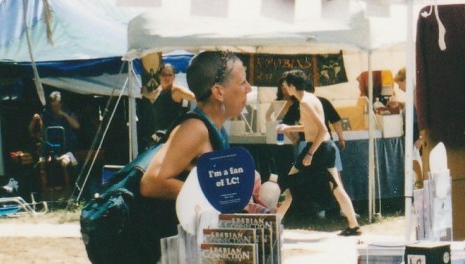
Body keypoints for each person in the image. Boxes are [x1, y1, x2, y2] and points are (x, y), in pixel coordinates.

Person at [140, 51, 250, 242]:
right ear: (218, 91)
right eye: (242, 82)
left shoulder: (215, 128)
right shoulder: (195, 129)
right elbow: (151, 183)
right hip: (175, 252)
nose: (249, 88)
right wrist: (212, 196)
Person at [275, 69, 361, 236]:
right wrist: (289, 128)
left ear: (292, 86)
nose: (284, 88)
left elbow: (322, 129)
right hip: (325, 147)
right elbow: (312, 127)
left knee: (287, 185)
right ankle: (354, 225)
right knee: (337, 188)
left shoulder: (305, 102)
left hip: (318, 147)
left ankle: (272, 226)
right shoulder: (309, 98)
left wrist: (310, 153)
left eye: (286, 85)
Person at [151, 62, 196, 134]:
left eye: (170, 75)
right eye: (164, 74)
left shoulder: (176, 90)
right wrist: (144, 92)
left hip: (173, 135)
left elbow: (194, 97)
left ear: (174, 76)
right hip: (160, 135)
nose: (167, 77)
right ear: (159, 76)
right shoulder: (159, 90)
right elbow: (151, 95)